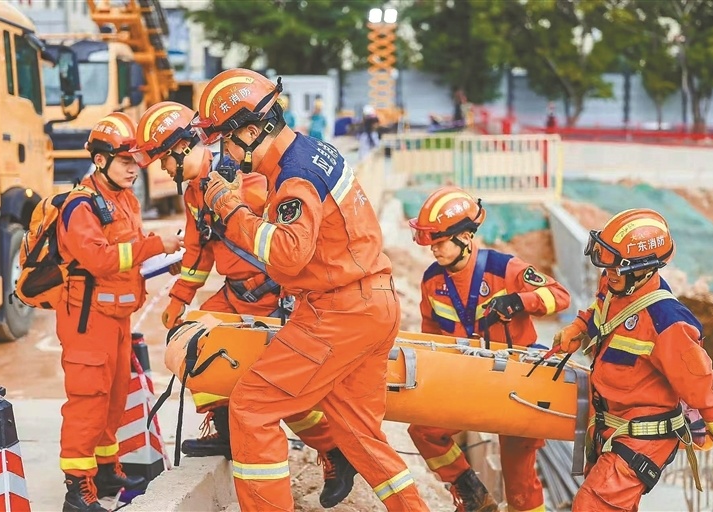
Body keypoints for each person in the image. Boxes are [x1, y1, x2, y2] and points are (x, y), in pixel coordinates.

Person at [192, 68, 428, 511]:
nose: (224, 149)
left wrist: (229, 207)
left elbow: (286, 254)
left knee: (252, 408)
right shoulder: (313, 152)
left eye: (224, 136)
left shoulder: (293, 178)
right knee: (358, 430)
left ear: (248, 129)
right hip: (374, 303)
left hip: (337, 314)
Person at [130, 101, 358, 507]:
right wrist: (181, 298)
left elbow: (285, 241)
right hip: (235, 294)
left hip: (274, 295)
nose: (164, 171)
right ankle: (224, 425)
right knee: (191, 346)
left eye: (165, 160)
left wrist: (291, 295)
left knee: (283, 390)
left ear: (185, 147)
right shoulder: (196, 193)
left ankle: (333, 450)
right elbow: (199, 252)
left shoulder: (247, 178)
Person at [552, 208, 713, 511]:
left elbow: (705, 388)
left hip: (643, 437)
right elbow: (599, 311)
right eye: (607, 265)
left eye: (617, 268)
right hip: (610, 423)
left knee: (592, 505)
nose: (609, 273)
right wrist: (578, 328)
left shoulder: (668, 324)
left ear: (645, 269)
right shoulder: (616, 284)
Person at [408, 186, 571, 512]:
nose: (434, 251)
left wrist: (520, 300)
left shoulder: (505, 269)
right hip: (467, 381)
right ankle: (472, 495)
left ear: (465, 238)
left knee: (520, 484)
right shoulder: (431, 282)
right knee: (424, 431)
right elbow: (432, 337)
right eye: (431, 244)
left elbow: (561, 296)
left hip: (516, 383)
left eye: (440, 243)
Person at [56, 112, 183, 512]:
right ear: (99, 160)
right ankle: (77, 489)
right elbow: (98, 260)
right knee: (88, 399)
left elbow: (131, 253)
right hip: (87, 317)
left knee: (113, 397)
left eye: (137, 161)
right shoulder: (81, 205)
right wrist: (156, 247)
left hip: (117, 315)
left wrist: (165, 260)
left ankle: (107, 469)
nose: (135, 169)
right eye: (125, 161)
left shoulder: (124, 199)